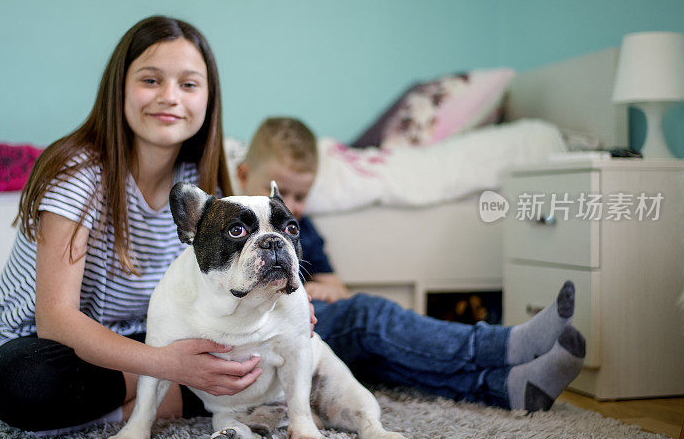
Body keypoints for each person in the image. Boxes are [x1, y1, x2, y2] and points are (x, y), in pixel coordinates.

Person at [0, 16, 264, 434]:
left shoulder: (202, 184)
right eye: (150, 80)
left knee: (298, 332)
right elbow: (55, 319)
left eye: (189, 84)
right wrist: (168, 365)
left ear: (209, 99)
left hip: (147, 337)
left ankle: (152, 399)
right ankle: (171, 397)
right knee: (22, 382)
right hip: (47, 345)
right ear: (119, 88)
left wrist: (284, 305)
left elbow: (219, 288)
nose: (169, 97)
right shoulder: (77, 172)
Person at [235, 117, 586, 411]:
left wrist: (324, 288)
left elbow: (335, 287)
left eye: (301, 196)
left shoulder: (299, 228)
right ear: (243, 173)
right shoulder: (229, 225)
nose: (291, 205)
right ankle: (507, 344)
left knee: (386, 357)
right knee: (367, 316)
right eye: (279, 192)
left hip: (312, 328)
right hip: (264, 332)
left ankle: (508, 387)